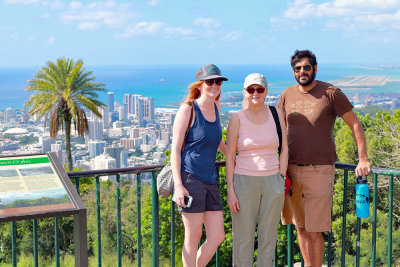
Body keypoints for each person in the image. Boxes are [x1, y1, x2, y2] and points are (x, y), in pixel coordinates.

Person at [278, 50, 371, 267]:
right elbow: (279, 130)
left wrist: (363, 158)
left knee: (314, 230)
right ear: (293, 71)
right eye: (297, 68)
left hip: (320, 170)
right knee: (300, 227)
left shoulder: (330, 92)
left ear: (315, 69)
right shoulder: (287, 94)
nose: (302, 71)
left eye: (306, 67)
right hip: (291, 170)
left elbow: (355, 124)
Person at [226, 73, 288, 266]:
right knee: (243, 239)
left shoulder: (276, 114)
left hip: (273, 181)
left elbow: (285, 148)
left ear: (266, 91)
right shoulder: (237, 118)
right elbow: (229, 156)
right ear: (245, 92)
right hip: (244, 182)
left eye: (259, 89)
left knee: (268, 238)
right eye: (251, 89)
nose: (255, 93)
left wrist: (281, 178)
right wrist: (230, 191)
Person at [171, 64, 227, 267]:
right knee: (193, 237)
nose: (215, 85)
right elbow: (175, 149)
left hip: (211, 180)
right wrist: (178, 185)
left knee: (217, 236)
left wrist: (235, 155)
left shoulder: (217, 107)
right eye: (210, 81)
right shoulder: (188, 109)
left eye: (218, 81)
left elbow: (216, 140)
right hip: (190, 179)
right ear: (200, 85)